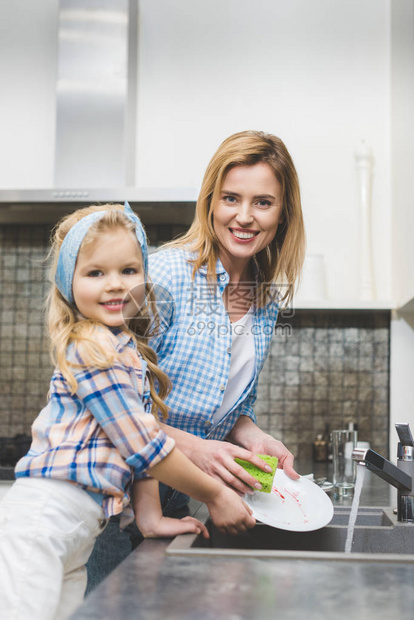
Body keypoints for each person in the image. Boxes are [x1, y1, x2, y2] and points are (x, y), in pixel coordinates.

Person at [0, 203, 256, 620]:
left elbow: (138, 450)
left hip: (78, 531)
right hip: (44, 522)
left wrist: (151, 520)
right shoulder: (90, 348)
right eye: (95, 273)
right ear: (69, 281)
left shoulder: (126, 351)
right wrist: (215, 494)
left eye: (129, 271)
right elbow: (146, 447)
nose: (115, 285)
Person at [87, 130, 306, 589]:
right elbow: (108, 402)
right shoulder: (164, 275)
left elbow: (225, 408)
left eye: (263, 202)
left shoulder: (262, 301)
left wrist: (254, 436)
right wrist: (202, 456)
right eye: (231, 198)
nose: (244, 216)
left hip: (173, 504)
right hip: (109, 506)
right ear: (210, 202)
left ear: (283, 213)